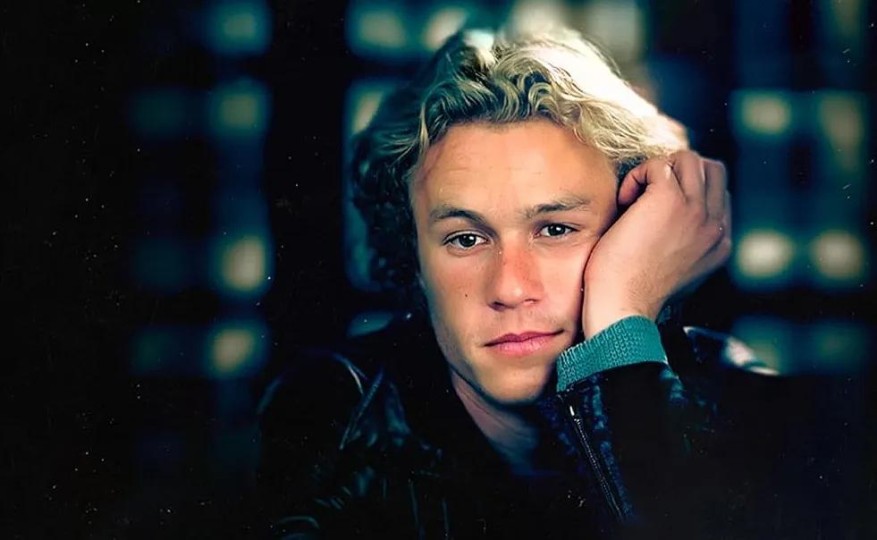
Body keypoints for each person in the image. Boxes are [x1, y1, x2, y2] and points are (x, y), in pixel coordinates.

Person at [256, 25, 778, 539]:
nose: (509, 287)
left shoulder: (736, 398)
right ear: (414, 259)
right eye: (466, 239)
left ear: (638, 234)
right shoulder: (336, 411)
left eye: (555, 230)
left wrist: (620, 320)